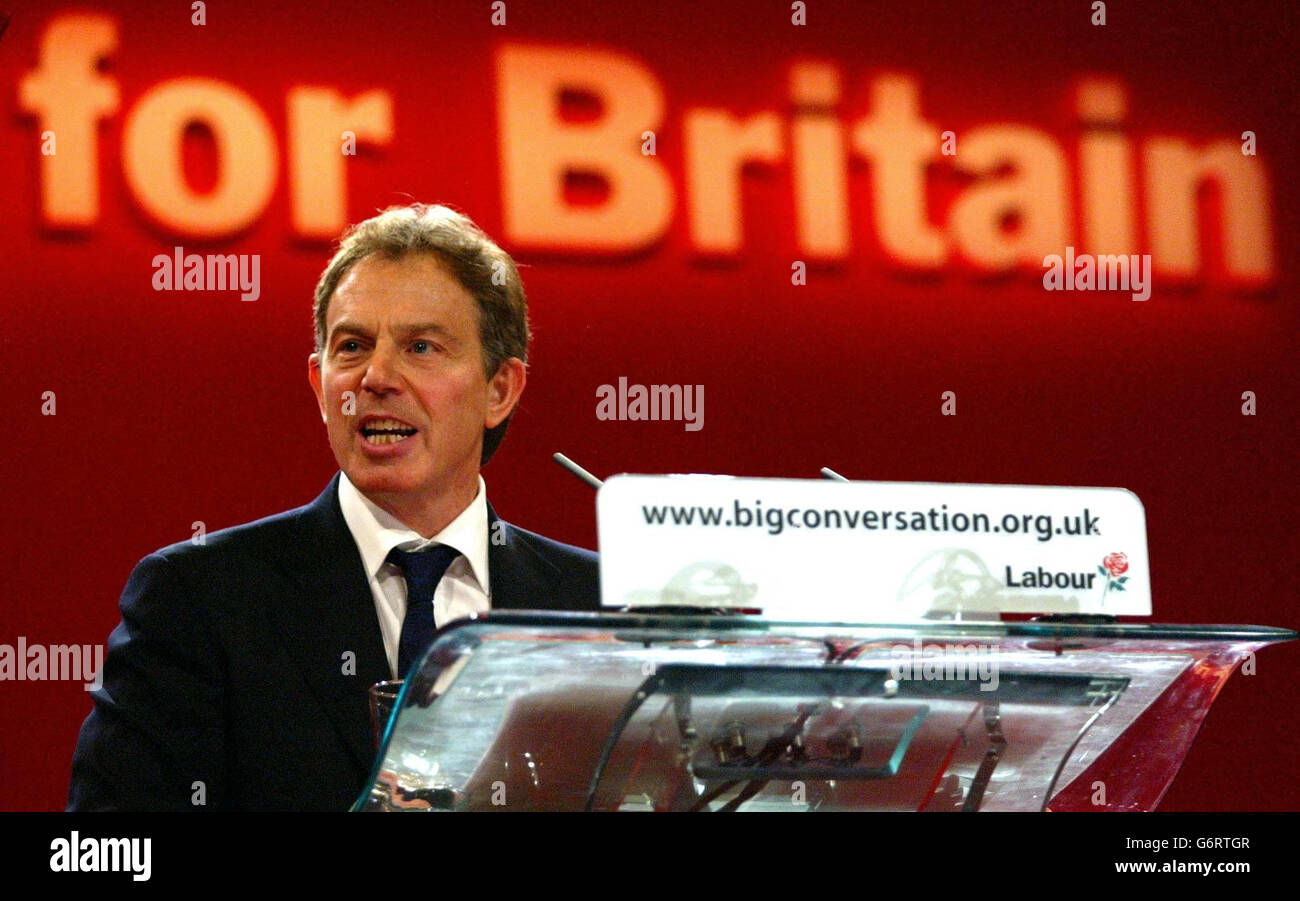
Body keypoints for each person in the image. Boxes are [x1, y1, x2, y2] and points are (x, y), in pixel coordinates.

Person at [67, 204, 600, 811]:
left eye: (421, 347)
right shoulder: (200, 599)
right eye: (352, 346)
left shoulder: (600, 609)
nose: (376, 376)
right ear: (322, 387)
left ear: (499, 389)